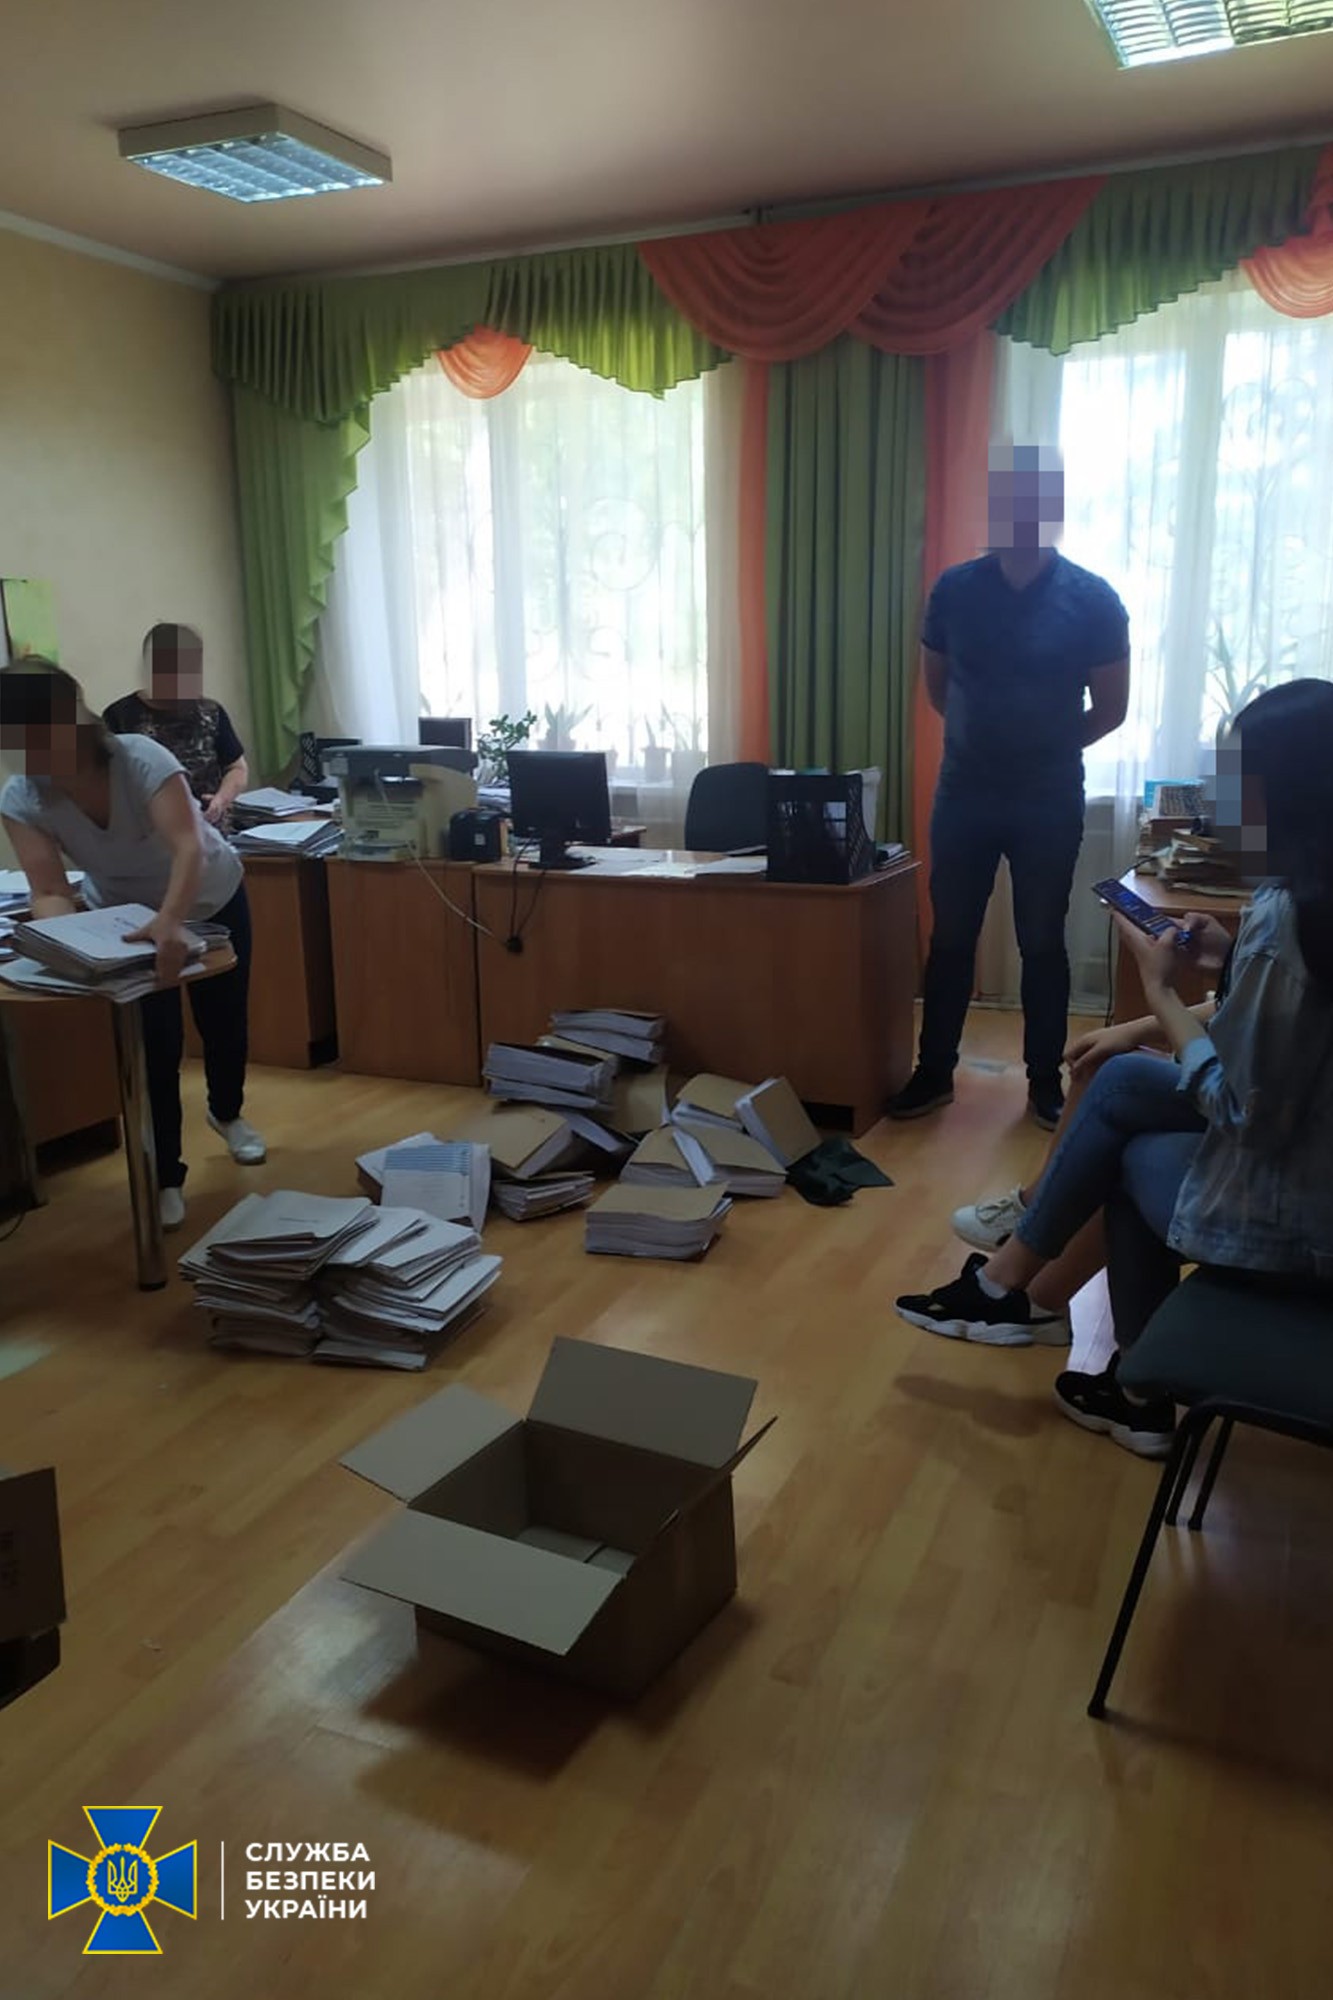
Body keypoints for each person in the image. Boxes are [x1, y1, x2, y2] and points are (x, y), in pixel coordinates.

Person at [894, 679, 1333, 1459]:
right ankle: (1037, 1307)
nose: (1215, 803)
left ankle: (1064, 1329)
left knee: (1128, 1145)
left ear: (1286, 797)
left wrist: (1159, 993)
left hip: (1295, 1218)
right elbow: (1290, 1024)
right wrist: (1227, 958)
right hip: (1306, 1161)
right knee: (1124, 1081)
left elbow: (1242, 1112)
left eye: (1235, 782)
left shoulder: (1289, 919)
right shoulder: (1301, 902)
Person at [890, 444, 1130, 1131]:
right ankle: (934, 1073)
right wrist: (987, 742)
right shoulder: (954, 590)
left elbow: (1110, 709)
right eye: (1007, 500)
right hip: (964, 792)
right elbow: (939, 690)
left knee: (1042, 941)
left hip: (1046, 797)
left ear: (1053, 510)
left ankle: (1043, 1082)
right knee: (951, 937)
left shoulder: (1092, 599)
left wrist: (1042, 746)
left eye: (1032, 500)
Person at [0, 658, 266, 1231]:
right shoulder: (22, 796)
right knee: (154, 1048)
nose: (33, 750)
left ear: (73, 715)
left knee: (224, 1024)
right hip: (124, 919)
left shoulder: (140, 758)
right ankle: (166, 1175)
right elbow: (49, 889)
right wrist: (66, 943)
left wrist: (170, 920)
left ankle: (227, 1113)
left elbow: (187, 846)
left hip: (209, 897)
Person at [105, 623, 249, 834]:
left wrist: (221, 799)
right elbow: (107, 784)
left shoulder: (211, 712)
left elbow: (237, 768)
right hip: (150, 837)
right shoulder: (119, 716)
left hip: (211, 833)